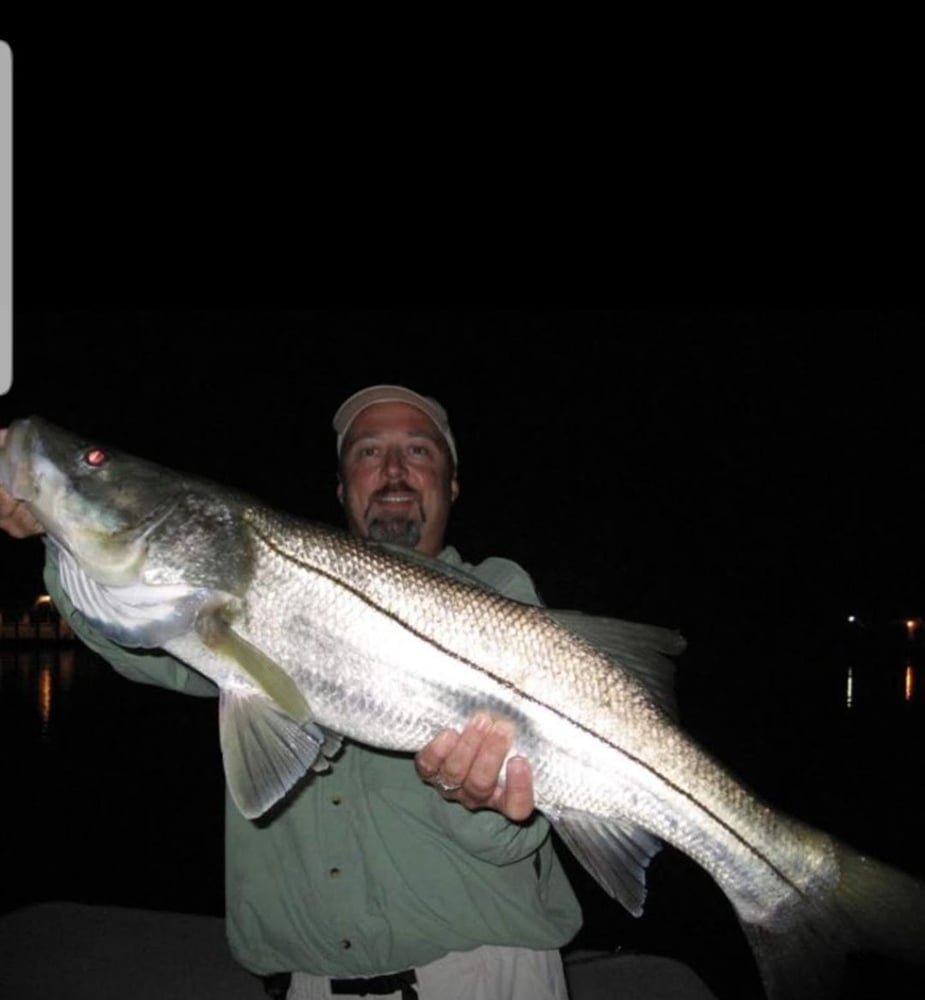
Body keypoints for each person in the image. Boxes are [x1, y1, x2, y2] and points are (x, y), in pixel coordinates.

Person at [0, 386, 583, 1000]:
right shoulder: (245, 603)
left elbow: (521, 832)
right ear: (341, 487)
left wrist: (489, 802)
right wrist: (58, 524)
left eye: (417, 450)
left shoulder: (502, 593)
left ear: (453, 483)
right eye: (367, 452)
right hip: (311, 987)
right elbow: (132, 641)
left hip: (485, 975)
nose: (392, 469)